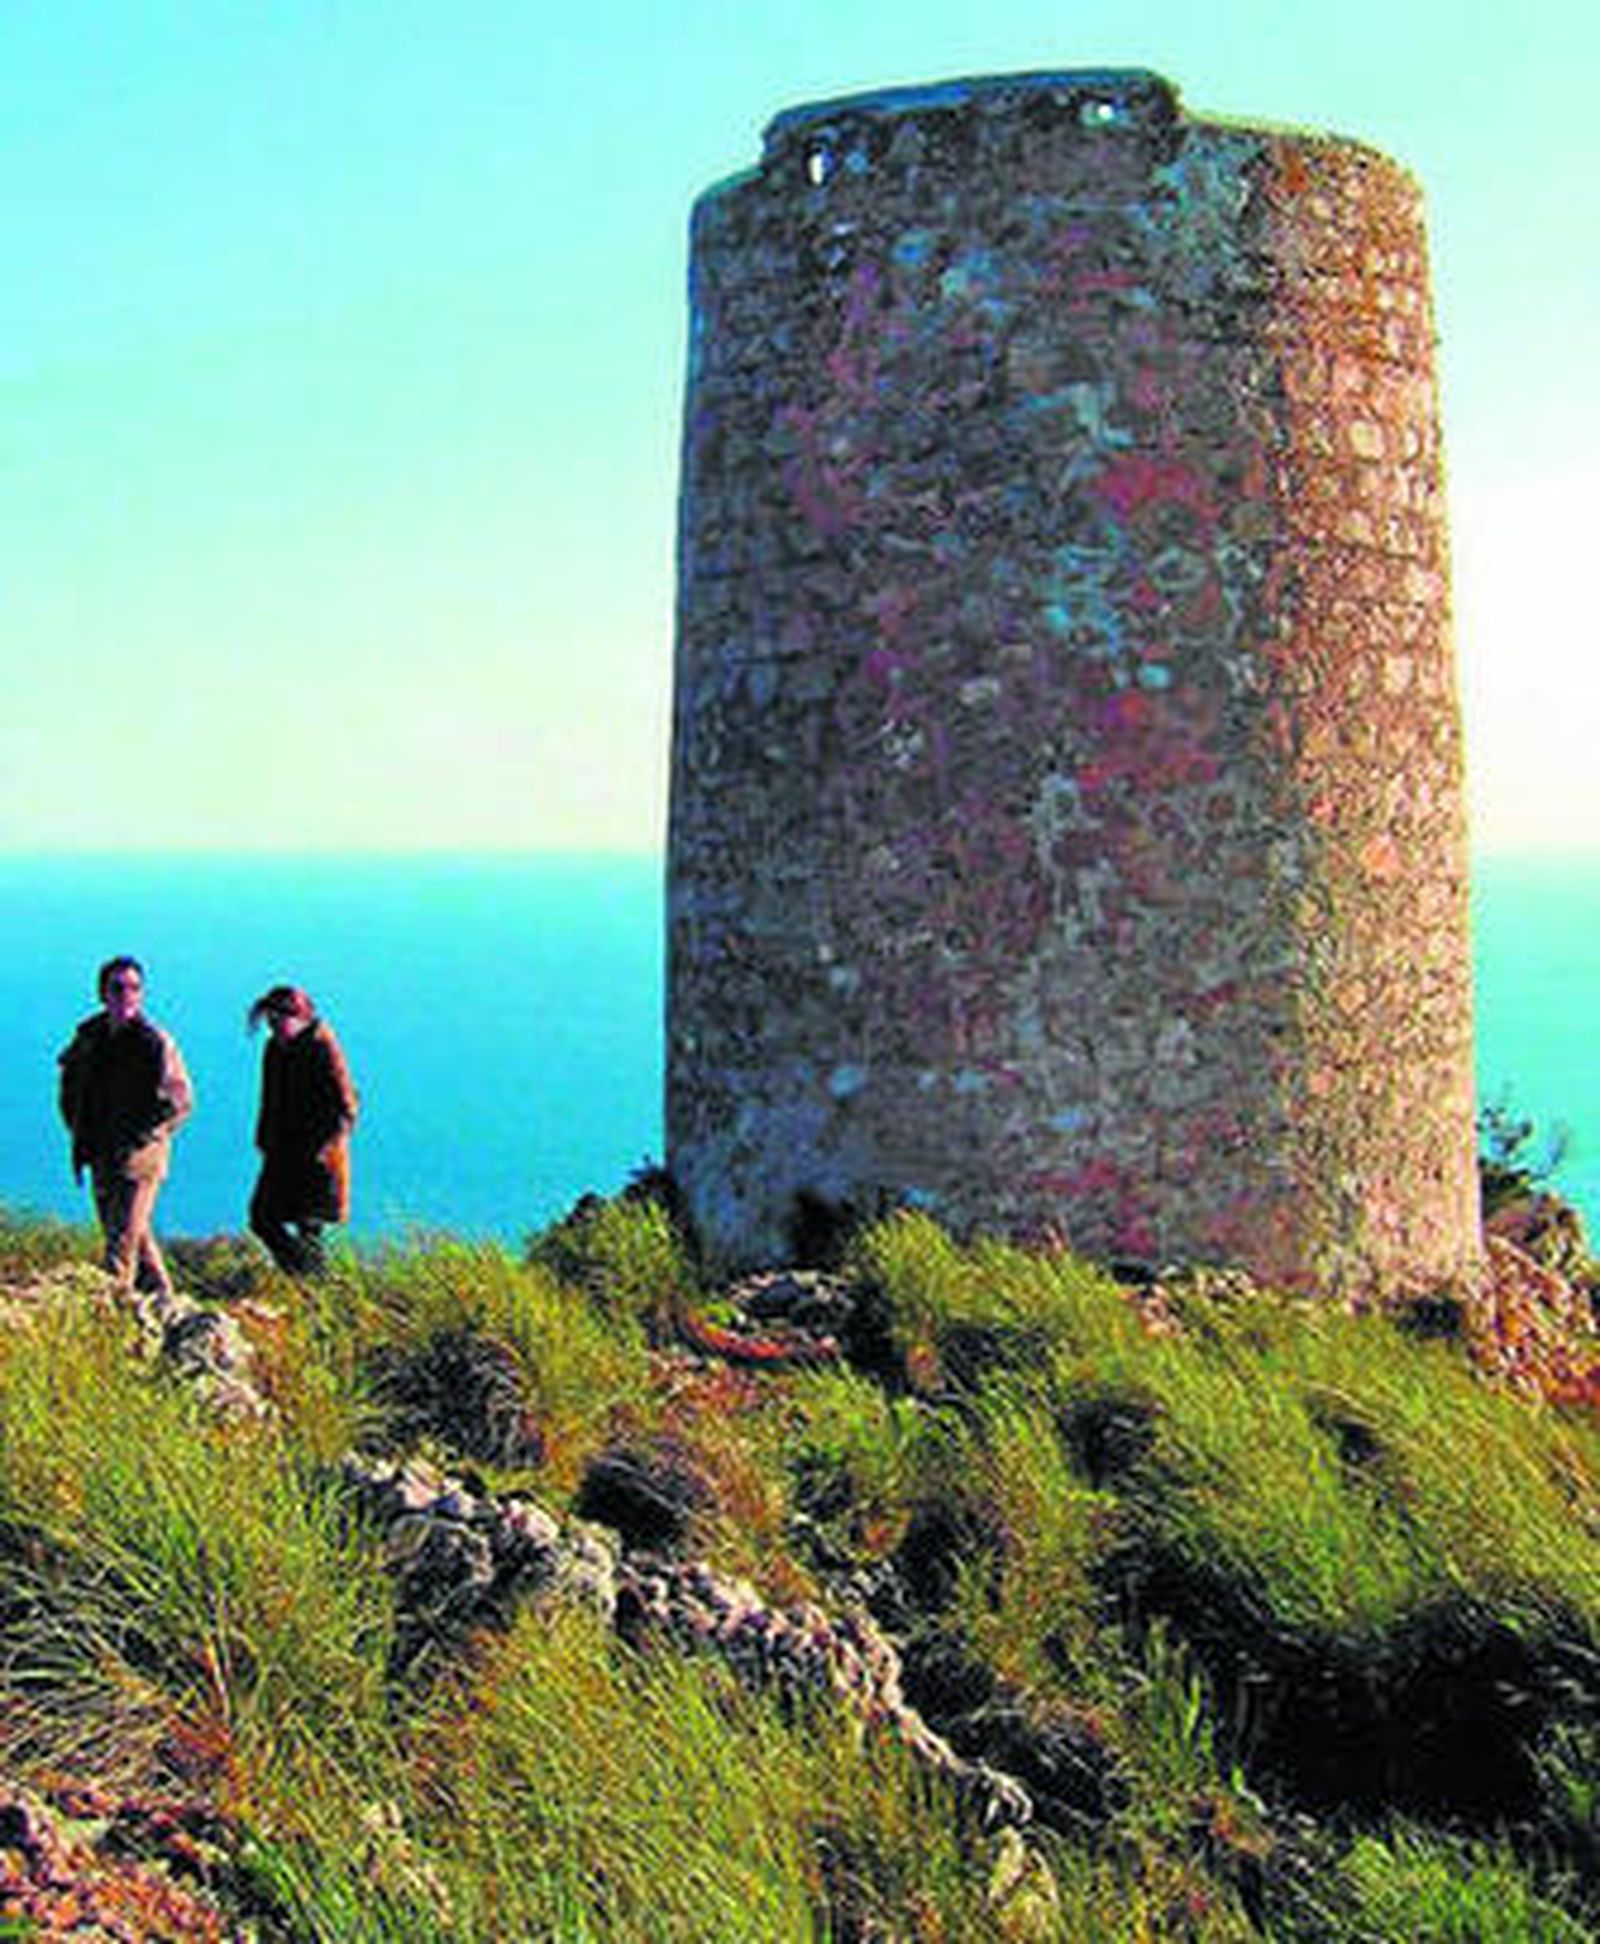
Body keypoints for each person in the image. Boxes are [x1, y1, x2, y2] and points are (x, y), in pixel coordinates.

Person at [57, 955, 194, 1314]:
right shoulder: (89, 1037)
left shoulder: (155, 1043)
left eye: (134, 988)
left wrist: (145, 1137)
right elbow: (70, 1082)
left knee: (121, 1244)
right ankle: (167, 1303)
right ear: (103, 993)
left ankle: (112, 1323)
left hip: (140, 1161)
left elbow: (180, 1102)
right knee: (135, 1234)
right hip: (101, 1153)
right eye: (118, 988)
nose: (127, 995)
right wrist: (77, 1126)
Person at [247, 984, 359, 1275]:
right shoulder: (274, 1048)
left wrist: (325, 1148)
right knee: (262, 1218)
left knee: (309, 1226)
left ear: (303, 1017)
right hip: (282, 1151)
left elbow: (346, 1106)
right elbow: (269, 1097)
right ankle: (305, 1277)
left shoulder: (323, 1047)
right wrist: (263, 1137)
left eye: (283, 1018)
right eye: (272, 1019)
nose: (277, 1025)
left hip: (316, 1156)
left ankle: (313, 1285)